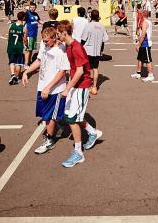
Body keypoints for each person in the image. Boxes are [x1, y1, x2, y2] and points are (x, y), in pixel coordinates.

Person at [56, 20, 102, 168]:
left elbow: (81, 71)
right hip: (75, 86)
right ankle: (92, 132)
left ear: (64, 33)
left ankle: (78, 153)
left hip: (81, 87)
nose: (57, 36)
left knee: (72, 120)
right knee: (72, 116)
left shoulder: (76, 48)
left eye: (58, 34)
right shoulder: (69, 46)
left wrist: (68, 88)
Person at [22, 25, 70, 155]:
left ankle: (50, 140)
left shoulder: (61, 51)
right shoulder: (44, 47)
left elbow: (62, 71)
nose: (44, 43)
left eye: (47, 40)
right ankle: (59, 125)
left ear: (54, 38)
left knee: (49, 117)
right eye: (43, 40)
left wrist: (48, 87)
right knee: (45, 115)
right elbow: (39, 61)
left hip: (54, 90)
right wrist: (26, 72)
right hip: (42, 87)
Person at [81, 9, 109, 95]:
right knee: (95, 68)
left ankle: (88, 86)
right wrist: (101, 50)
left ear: (91, 16)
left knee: (87, 69)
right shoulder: (102, 26)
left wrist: (80, 48)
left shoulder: (88, 26)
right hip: (97, 50)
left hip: (88, 50)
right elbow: (105, 39)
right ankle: (95, 86)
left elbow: (83, 39)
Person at [132, 10, 154, 82]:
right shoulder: (148, 21)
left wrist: (139, 44)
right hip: (143, 42)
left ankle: (151, 75)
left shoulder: (145, 22)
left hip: (145, 44)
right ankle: (138, 73)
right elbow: (142, 33)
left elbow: (144, 34)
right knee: (140, 59)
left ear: (143, 15)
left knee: (148, 60)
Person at [7, 11, 26, 85]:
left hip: (11, 46)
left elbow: (8, 37)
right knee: (18, 63)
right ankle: (17, 77)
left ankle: (12, 75)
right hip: (19, 47)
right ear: (23, 18)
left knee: (11, 62)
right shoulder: (23, 27)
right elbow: (24, 39)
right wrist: (26, 45)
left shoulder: (11, 25)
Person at [24, 2, 41, 66]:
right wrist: (23, 33)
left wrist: (47, 23)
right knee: (28, 49)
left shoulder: (36, 14)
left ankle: (29, 61)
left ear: (35, 8)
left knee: (31, 49)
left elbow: (39, 21)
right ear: (29, 7)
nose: (32, 8)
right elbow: (23, 23)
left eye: (34, 7)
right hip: (29, 34)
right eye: (31, 7)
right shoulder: (27, 14)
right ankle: (26, 63)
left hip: (34, 34)